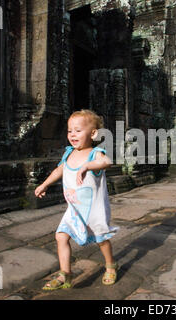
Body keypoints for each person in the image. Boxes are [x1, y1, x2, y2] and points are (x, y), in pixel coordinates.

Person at [34, 109, 119, 290]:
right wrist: (44, 184)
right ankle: (66, 273)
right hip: (74, 210)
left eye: (78, 130)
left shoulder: (94, 154)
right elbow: (59, 170)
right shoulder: (69, 154)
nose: (72, 134)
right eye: (70, 130)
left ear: (93, 133)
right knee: (61, 236)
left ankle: (110, 265)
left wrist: (87, 166)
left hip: (93, 211)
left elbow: (107, 162)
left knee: (101, 239)